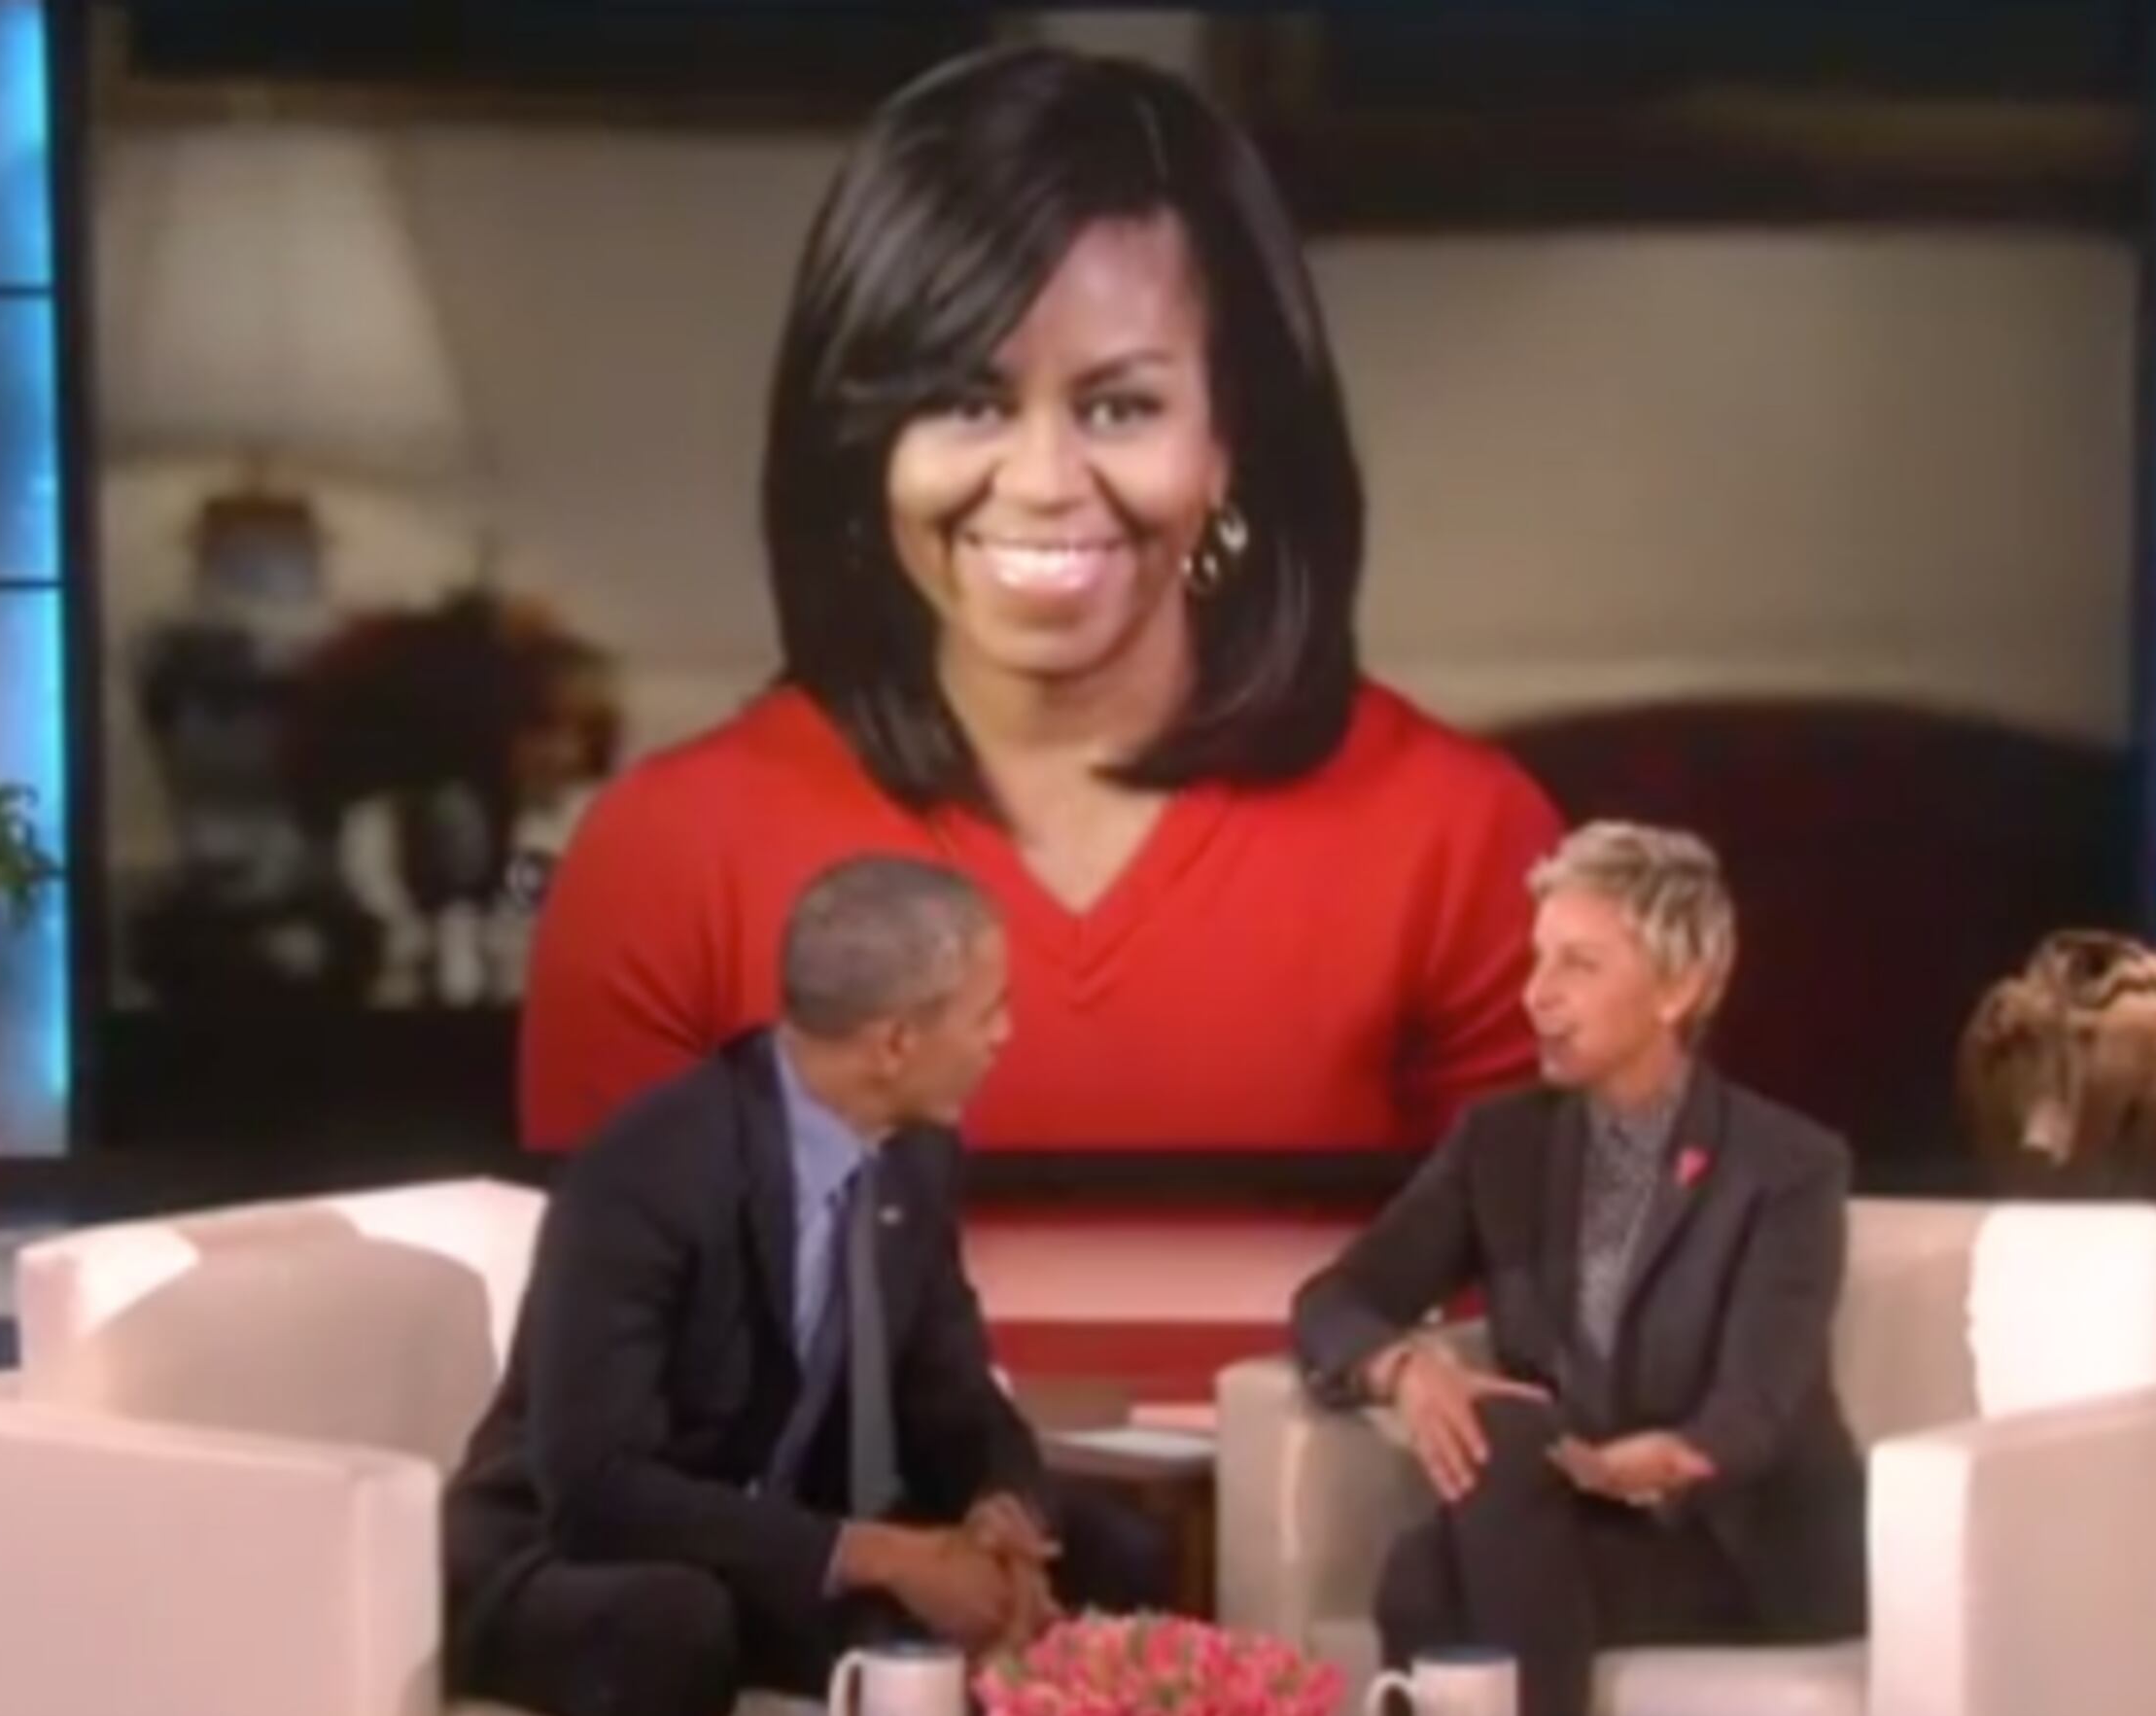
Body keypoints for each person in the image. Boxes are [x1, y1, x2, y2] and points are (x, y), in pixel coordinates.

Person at [517, 45, 1563, 1158]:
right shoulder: (665, 863)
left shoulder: (1464, 847)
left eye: (1119, 408)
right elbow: (614, 1271)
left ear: (1230, 440)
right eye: (968, 401)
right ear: (862, 441)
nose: (1043, 481)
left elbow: (1543, 1268)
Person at [446, 855, 1177, 1716]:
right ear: (896, 1041)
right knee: (677, 1616)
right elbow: (597, 1488)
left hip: (770, 1540)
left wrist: (1005, 1516)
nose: (1005, 1034)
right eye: (988, 1010)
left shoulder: (916, 1154)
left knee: (1109, 1547)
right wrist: (885, 1553)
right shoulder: (653, 1168)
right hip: (565, 1555)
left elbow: (954, 1396)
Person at [1289, 823, 1866, 1716]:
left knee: (1437, 1563)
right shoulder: (1502, 1145)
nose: (1536, 995)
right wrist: (1405, 1366)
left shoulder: (1786, 1167)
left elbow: (1761, 1398)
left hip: (1727, 1541)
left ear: (1679, 987)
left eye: (1579, 964)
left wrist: (1674, 1456)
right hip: (1569, 1512)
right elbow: (1338, 1298)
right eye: (1538, 959)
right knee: (1437, 1548)